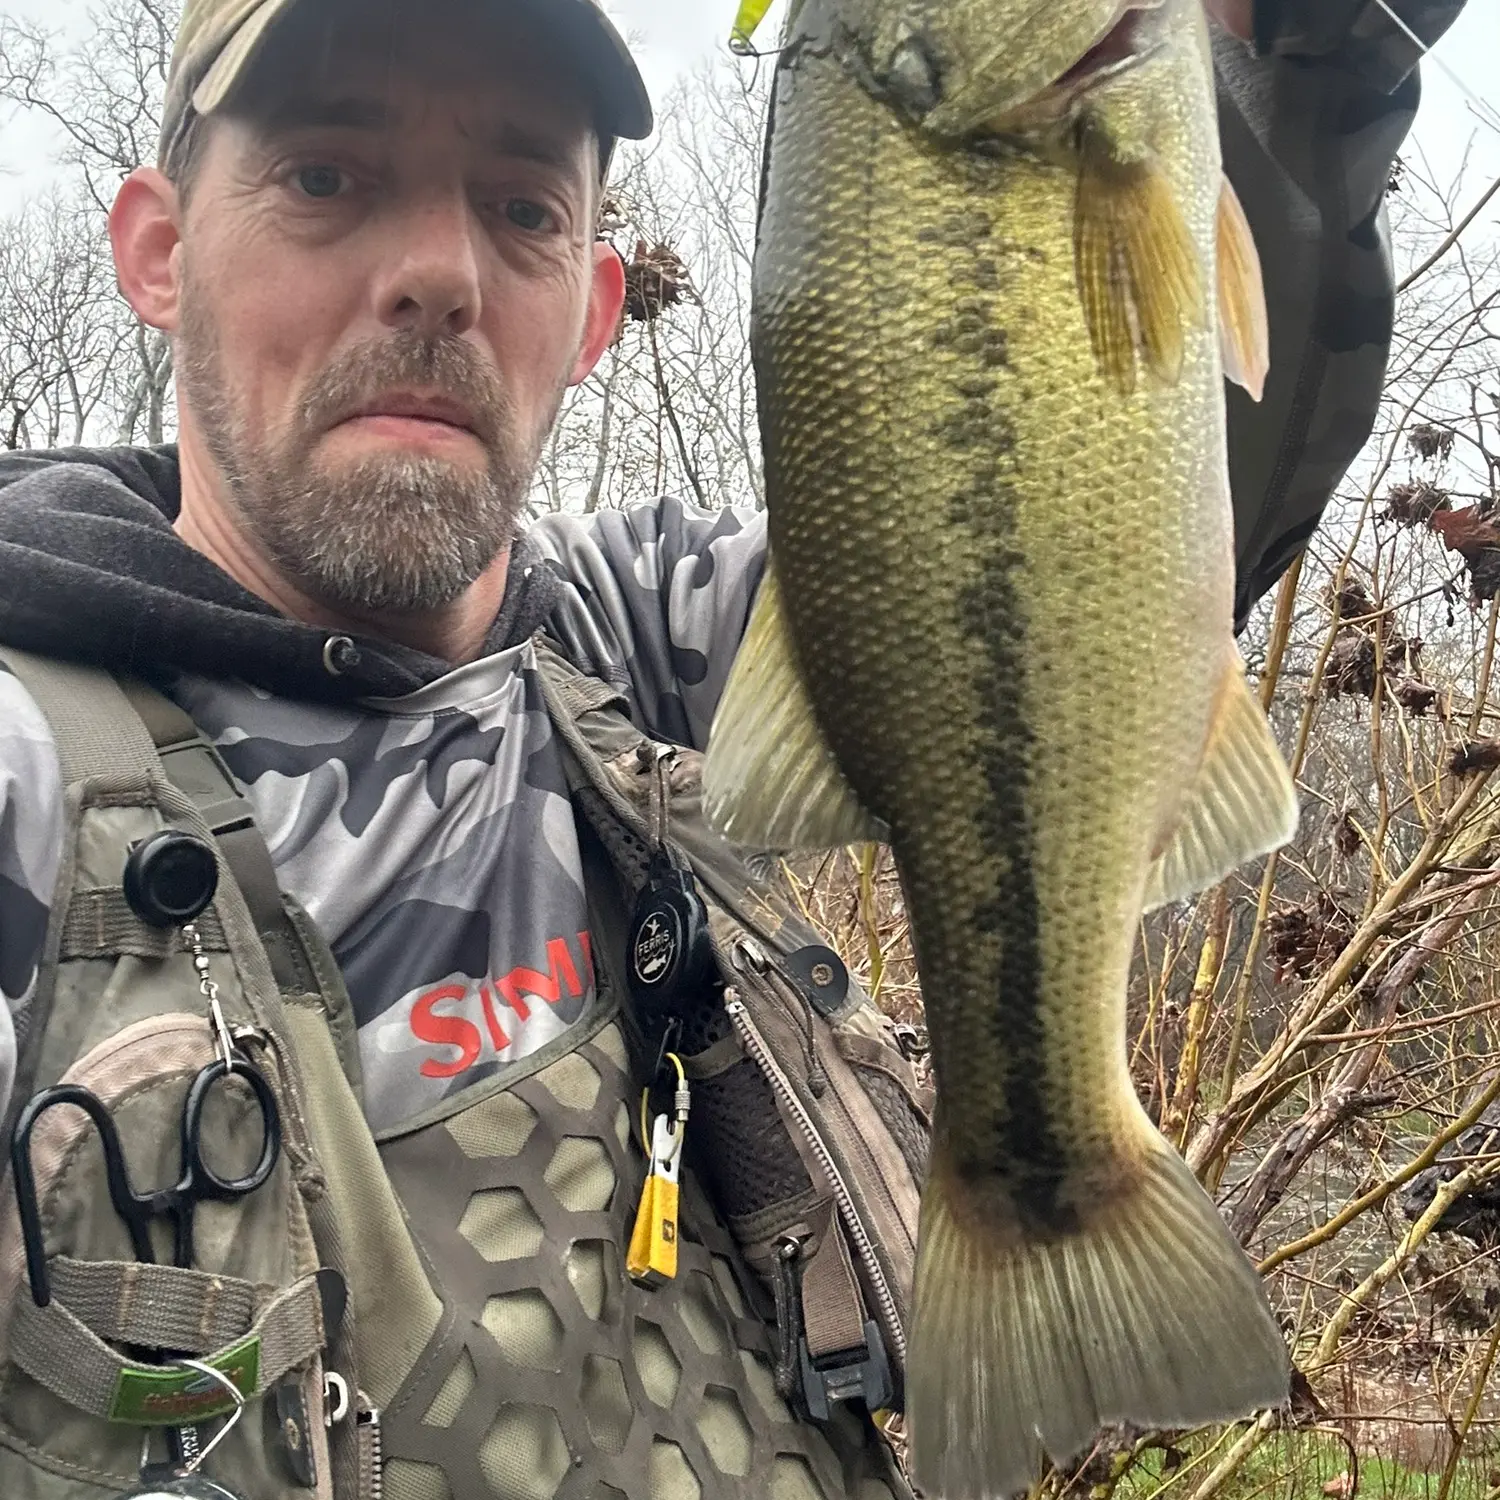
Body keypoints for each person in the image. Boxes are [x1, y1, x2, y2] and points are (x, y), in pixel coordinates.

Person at [0, 0, 1468, 1497]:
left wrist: (1317, 47)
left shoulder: (630, 640)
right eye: (325, 179)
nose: (438, 274)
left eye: (521, 208)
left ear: (588, 307)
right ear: (158, 253)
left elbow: (1110, 576)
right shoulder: (25, 789)